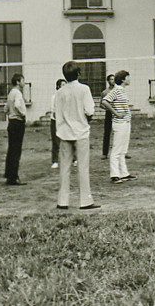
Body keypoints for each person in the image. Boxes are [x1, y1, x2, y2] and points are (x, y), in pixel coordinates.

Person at [54, 60, 99, 210]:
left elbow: (57, 113)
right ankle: (85, 201)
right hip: (80, 132)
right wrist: (85, 120)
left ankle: (62, 201)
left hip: (64, 133)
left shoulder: (59, 92)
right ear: (78, 73)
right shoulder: (84, 89)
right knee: (83, 167)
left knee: (64, 168)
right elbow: (90, 111)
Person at [101, 70, 136, 184]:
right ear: (122, 80)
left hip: (126, 122)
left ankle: (124, 173)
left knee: (122, 150)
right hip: (119, 123)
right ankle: (114, 175)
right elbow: (105, 101)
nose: (129, 80)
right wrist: (115, 113)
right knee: (116, 150)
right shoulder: (115, 91)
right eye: (128, 78)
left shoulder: (122, 91)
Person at [4, 73, 27, 185]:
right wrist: (23, 114)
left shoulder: (10, 93)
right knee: (16, 150)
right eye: (22, 80)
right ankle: (14, 177)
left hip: (11, 122)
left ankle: (9, 175)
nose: (24, 82)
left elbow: (5, 108)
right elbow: (18, 105)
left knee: (11, 149)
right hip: (17, 122)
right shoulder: (17, 93)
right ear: (18, 82)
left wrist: (10, 112)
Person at [50, 78, 67, 169]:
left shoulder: (68, 96)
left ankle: (73, 159)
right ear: (58, 87)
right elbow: (54, 111)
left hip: (66, 120)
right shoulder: (54, 97)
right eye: (62, 85)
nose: (65, 87)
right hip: (56, 121)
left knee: (69, 139)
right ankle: (55, 161)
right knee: (56, 141)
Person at [100, 73, 115, 160]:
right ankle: (105, 153)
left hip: (117, 113)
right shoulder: (105, 92)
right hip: (109, 114)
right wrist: (107, 107)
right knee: (107, 133)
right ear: (108, 81)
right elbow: (101, 104)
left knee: (119, 132)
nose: (113, 81)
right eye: (111, 79)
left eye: (114, 79)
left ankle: (123, 152)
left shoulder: (118, 90)